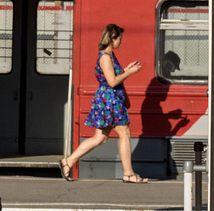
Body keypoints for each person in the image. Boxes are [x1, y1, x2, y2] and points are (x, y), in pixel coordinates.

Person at [59, 23, 148, 183]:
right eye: (119, 38)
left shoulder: (110, 56)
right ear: (112, 38)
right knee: (124, 133)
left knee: (100, 138)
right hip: (110, 100)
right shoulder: (106, 57)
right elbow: (112, 82)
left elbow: (113, 77)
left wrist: (125, 69)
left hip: (109, 99)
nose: (121, 41)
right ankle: (128, 174)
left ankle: (68, 161)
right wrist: (129, 72)